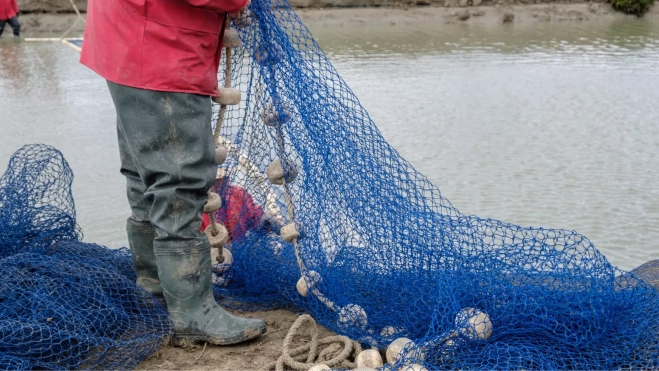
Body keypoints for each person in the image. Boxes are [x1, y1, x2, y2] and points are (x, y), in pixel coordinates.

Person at [79, 0, 266, 347]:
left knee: (143, 172)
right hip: (161, 46)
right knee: (181, 181)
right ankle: (193, 312)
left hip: (124, 37)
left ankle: (153, 289)